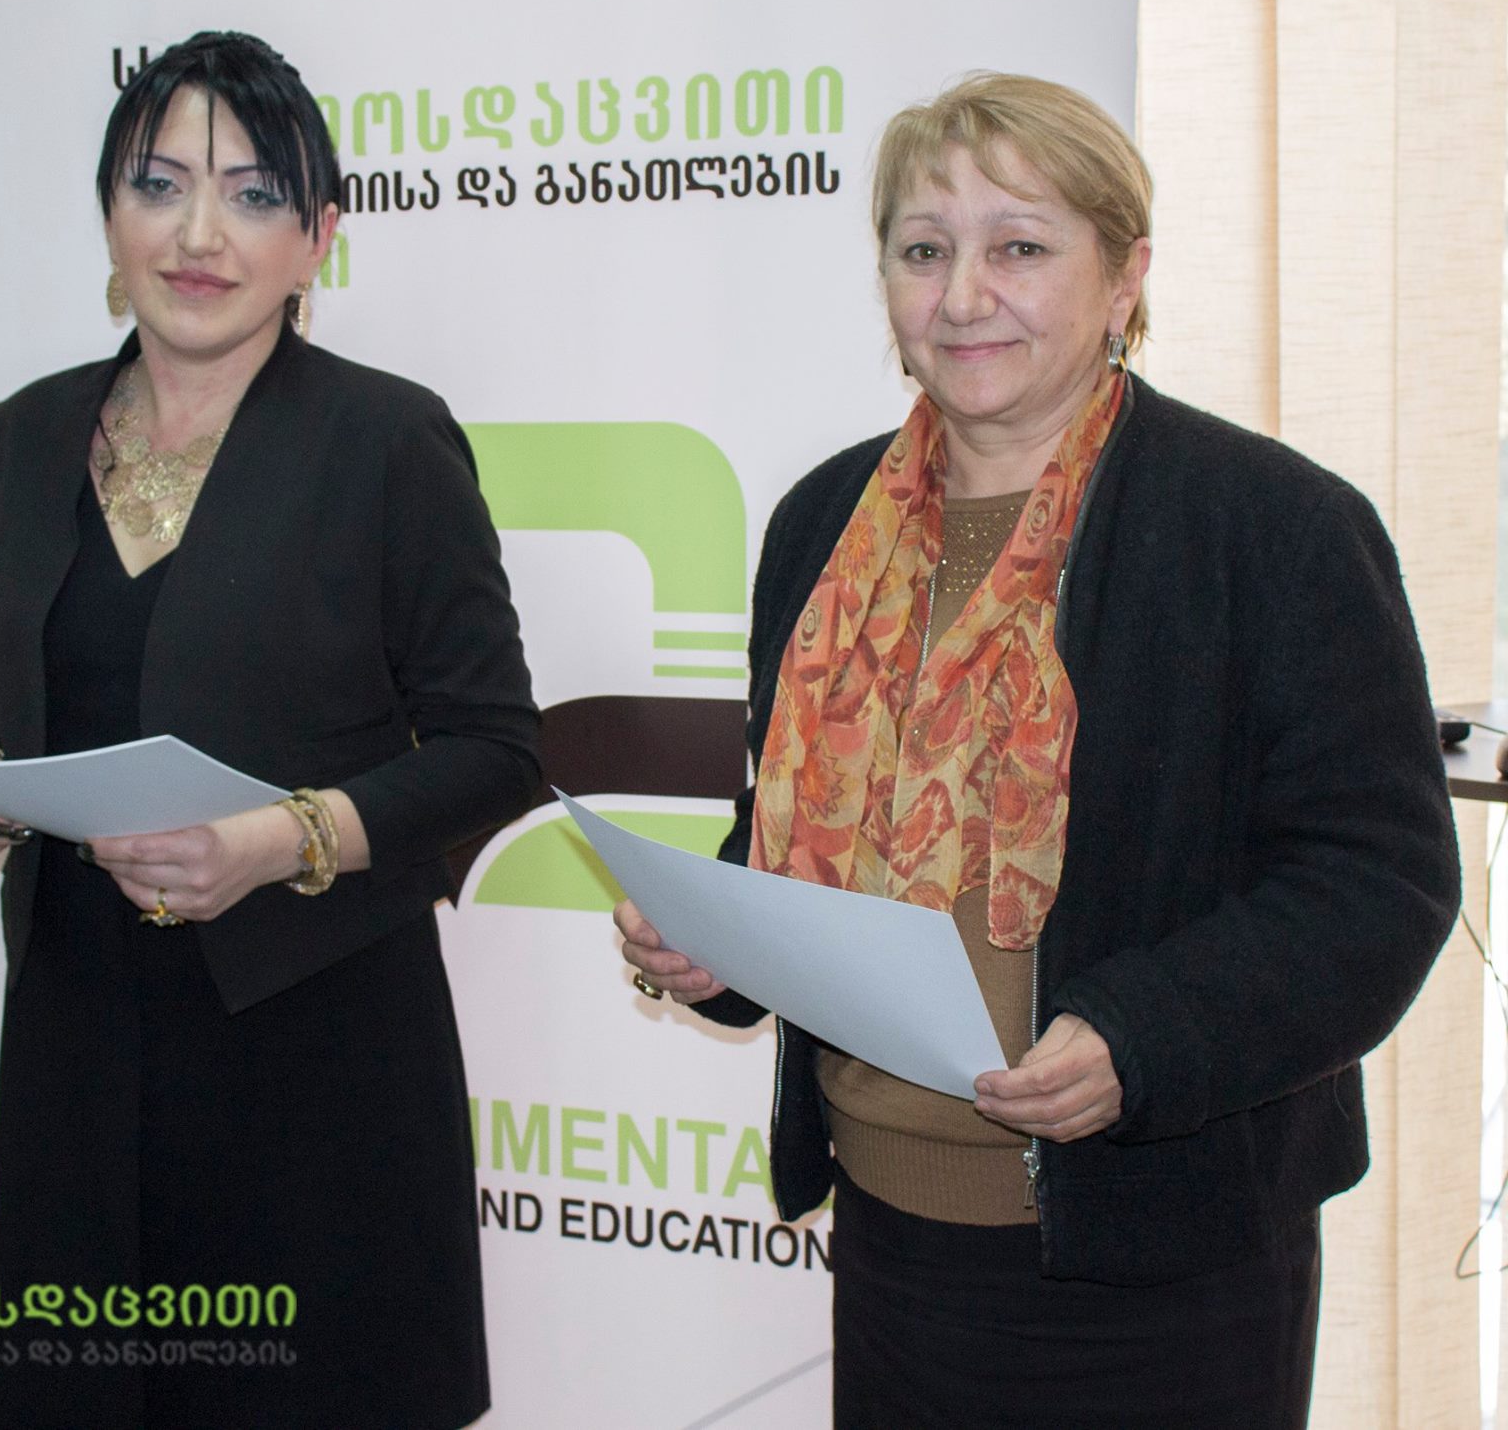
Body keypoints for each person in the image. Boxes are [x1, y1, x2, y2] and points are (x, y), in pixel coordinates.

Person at [615, 72, 1458, 1427]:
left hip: (1164, 1266)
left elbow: (1377, 887)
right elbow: (801, 829)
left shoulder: (1272, 527)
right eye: (923, 249)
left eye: (1018, 246)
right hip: (890, 1243)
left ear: (1125, 278)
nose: (963, 297)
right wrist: (720, 942)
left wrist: (1143, 1037)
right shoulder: (822, 522)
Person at [0, 30, 538, 1429]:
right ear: (108, 215)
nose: (198, 234)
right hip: (72, 1056)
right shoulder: (16, 440)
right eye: (159, 184)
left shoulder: (388, 442)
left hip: (317, 1069)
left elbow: (496, 750)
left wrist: (280, 841)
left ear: (318, 240)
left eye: (252, 195)